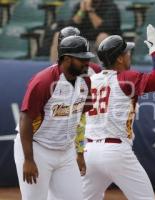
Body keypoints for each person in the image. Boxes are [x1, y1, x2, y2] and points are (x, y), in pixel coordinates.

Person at [81, 24, 155, 200]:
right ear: (119, 59)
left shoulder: (91, 80)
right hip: (115, 151)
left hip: (89, 151)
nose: (129, 55)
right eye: (126, 53)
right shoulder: (125, 77)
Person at [14, 35, 95, 200]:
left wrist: (79, 153)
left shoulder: (85, 82)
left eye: (87, 58)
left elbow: (81, 119)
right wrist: (28, 159)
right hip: (38, 149)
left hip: (65, 152)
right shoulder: (44, 81)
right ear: (66, 59)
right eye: (82, 59)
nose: (87, 63)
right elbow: (25, 120)